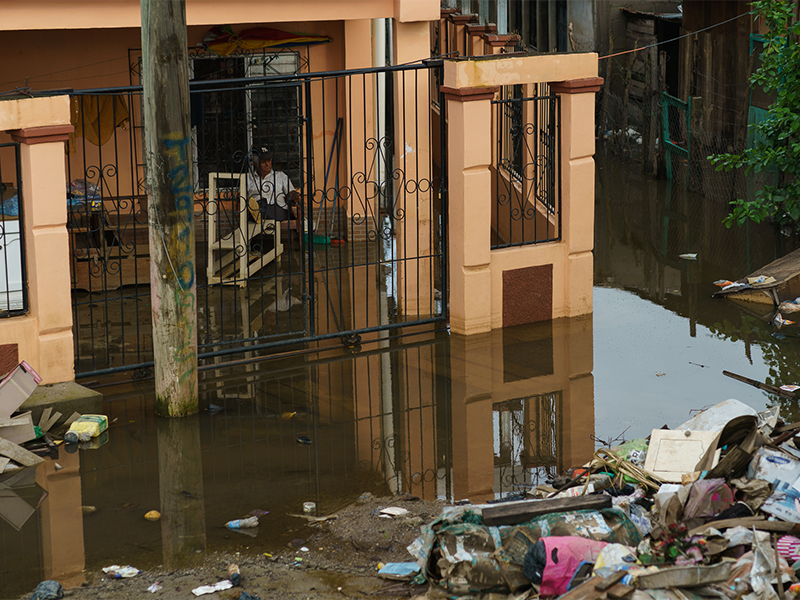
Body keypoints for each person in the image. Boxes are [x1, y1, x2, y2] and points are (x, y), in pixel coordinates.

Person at [246, 146, 299, 222]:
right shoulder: (248, 178)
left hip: (276, 208)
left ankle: (259, 216)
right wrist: (239, 200)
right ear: (255, 164)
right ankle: (257, 214)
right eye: (263, 162)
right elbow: (241, 195)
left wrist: (294, 196)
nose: (268, 164)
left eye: (269, 160)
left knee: (264, 212)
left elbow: (291, 192)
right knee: (257, 205)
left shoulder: (280, 176)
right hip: (257, 206)